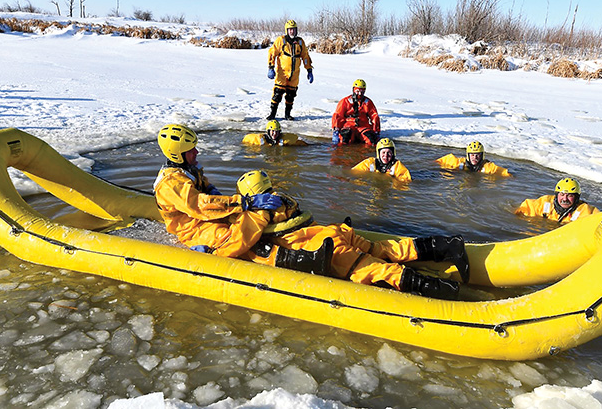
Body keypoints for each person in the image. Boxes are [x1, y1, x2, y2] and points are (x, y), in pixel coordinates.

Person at [236, 170, 470, 300]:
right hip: (334, 232)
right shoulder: (281, 198)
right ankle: (447, 246)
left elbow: (241, 241)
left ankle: (451, 295)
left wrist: (215, 252)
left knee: (376, 271)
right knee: (385, 250)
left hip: (325, 248)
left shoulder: (258, 213)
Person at [154, 124, 328, 271]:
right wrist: (245, 202)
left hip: (206, 218)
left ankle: (297, 245)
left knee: (248, 222)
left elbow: (207, 189)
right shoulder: (170, 183)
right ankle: (297, 260)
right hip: (193, 228)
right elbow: (200, 206)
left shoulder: (188, 170)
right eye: (191, 150)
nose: (197, 152)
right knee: (234, 237)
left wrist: (231, 204)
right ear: (177, 153)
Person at [266, 20, 313, 121]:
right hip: (282, 73)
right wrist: (271, 67)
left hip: (294, 74)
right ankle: (272, 114)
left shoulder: (300, 42)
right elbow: (272, 53)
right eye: (290, 29)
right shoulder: (281, 41)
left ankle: (287, 114)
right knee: (277, 94)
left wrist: (309, 69)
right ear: (287, 30)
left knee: (291, 95)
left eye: (294, 29)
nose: (292, 31)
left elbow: (305, 56)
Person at [515, 177, 600, 223]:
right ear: (556, 195)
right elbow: (524, 209)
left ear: (576, 198)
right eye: (562, 195)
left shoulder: (586, 211)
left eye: (570, 195)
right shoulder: (544, 202)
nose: (565, 199)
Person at [331, 79, 380, 146]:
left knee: (371, 141)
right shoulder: (345, 101)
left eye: (362, 92)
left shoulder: (368, 102)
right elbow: (338, 115)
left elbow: (374, 116)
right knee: (344, 140)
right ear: (354, 90)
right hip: (349, 126)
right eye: (358, 91)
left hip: (363, 126)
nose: (360, 94)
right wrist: (336, 130)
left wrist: (376, 131)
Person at [435, 141, 510, 176]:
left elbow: (508, 175)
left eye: (478, 155)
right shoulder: (457, 162)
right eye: (472, 155)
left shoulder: (489, 167)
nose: (475, 158)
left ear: (482, 155)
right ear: (468, 155)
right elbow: (434, 163)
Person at [242, 119, 308, 146]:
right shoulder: (259, 139)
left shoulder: (285, 139)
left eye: (277, 131)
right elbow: (245, 141)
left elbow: (301, 144)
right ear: (268, 131)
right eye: (272, 131)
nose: (274, 133)